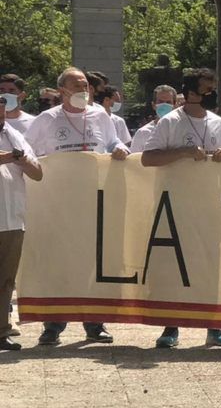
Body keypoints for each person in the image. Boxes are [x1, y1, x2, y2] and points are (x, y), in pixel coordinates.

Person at [24, 67, 128, 346]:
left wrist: (120, 149)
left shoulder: (100, 116)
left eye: (86, 86)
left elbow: (113, 142)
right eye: (77, 86)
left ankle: (95, 323)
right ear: (62, 91)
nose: (84, 90)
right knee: (58, 263)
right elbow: (28, 152)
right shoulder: (45, 120)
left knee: (93, 262)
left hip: (94, 201)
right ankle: (53, 324)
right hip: (57, 204)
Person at [141, 68, 221, 348]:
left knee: (211, 264)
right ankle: (171, 326)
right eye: (208, 87)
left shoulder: (220, 124)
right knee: (175, 264)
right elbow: (148, 159)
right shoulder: (170, 122)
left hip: (210, 206)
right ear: (192, 91)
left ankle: (215, 324)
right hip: (176, 206)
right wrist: (183, 152)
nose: (213, 92)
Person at [0, 107, 43, 350]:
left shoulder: (14, 134)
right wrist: (8, 157)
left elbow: (37, 173)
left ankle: (1, 330)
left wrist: (22, 159)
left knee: (6, 280)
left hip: (11, 218)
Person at [130, 85, 179, 153]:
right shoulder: (143, 133)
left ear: (175, 106)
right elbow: (134, 160)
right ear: (153, 105)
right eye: (160, 102)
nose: (164, 105)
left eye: (168, 102)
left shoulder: (182, 130)